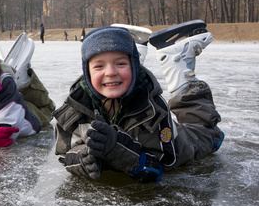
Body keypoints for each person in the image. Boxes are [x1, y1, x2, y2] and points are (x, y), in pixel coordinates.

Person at [54, 25, 224, 183]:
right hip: (135, 123)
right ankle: (137, 49)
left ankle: (179, 69)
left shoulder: (152, 108)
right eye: (99, 66)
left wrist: (117, 149)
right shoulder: (74, 107)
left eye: (121, 63)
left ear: (133, 66)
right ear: (87, 72)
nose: (110, 72)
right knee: (122, 81)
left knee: (211, 134)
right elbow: (65, 154)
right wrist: (82, 159)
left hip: (181, 144)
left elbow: (162, 166)